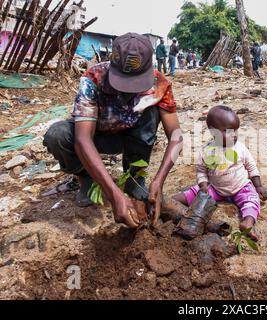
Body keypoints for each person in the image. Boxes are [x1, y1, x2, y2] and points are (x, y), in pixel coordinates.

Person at [43, 33, 183, 229]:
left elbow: (176, 137)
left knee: (152, 110)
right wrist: (114, 195)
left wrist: (159, 180)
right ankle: (86, 178)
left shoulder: (159, 83)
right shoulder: (93, 78)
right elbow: (83, 139)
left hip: (132, 138)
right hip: (97, 138)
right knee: (57, 135)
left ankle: (134, 176)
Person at [173, 105, 267, 241]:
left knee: (252, 199)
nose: (234, 135)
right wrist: (203, 184)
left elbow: (251, 167)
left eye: (235, 131)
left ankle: (248, 222)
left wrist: (258, 186)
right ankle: (172, 202)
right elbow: (201, 171)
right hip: (216, 189)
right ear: (213, 132)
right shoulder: (206, 151)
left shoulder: (240, 148)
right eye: (228, 131)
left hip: (240, 187)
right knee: (194, 193)